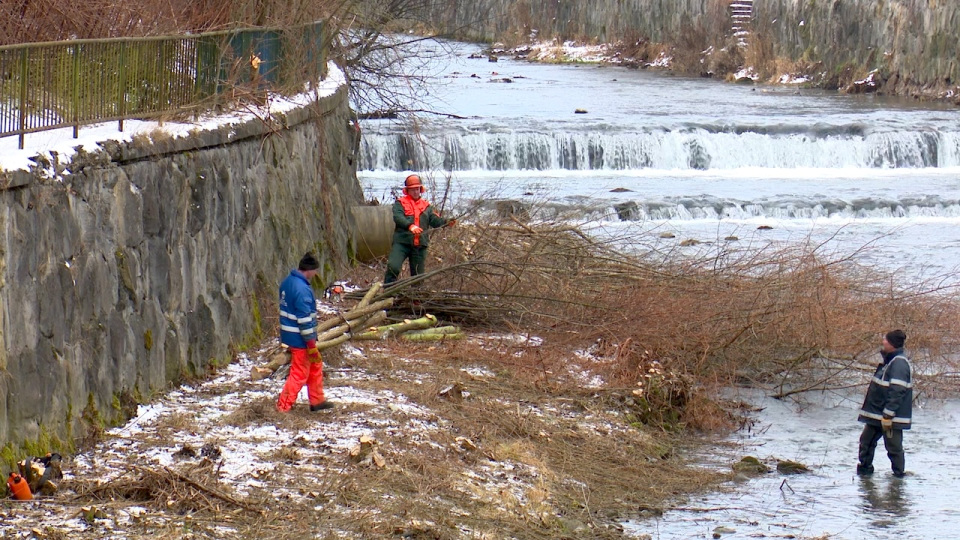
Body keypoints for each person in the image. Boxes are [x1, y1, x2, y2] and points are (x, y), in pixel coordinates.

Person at [276, 252, 334, 412]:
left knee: (315, 364)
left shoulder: (288, 282)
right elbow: (304, 320)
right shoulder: (302, 290)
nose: (316, 274)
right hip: (300, 339)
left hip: (290, 334)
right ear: (309, 270)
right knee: (299, 372)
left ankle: (317, 400)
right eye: (315, 270)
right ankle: (283, 406)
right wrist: (310, 343)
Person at [857, 329, 911, 477]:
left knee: (893, 447)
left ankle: (898, 478)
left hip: (889, 417)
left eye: (886, 340)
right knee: (866, 442)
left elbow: (897, 392)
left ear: (892, 344)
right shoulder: (891, 361)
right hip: (877, 415)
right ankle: (865, 473)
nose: (883, 342)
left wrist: (888, 415)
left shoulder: (899, 363)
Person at [384, 174, 454, 284]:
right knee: (393, 266)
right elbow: (398, 217)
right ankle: (388, 293)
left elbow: (435, 221)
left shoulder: (426, 206)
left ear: (420, 189)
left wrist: (446, 222)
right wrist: (410, 226)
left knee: (418, 277)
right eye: (412, 190)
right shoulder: (400, 203)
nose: (415, 192)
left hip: (420, 246)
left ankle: (416, 299)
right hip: (402, 243)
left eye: (417, 189)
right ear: (407, 191)